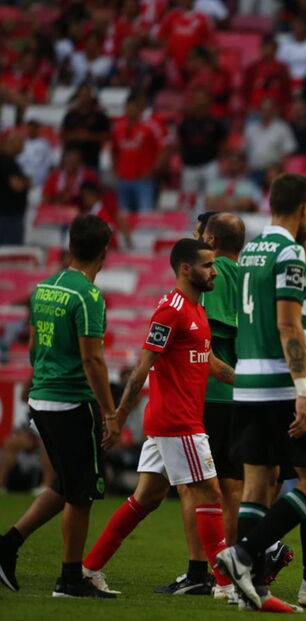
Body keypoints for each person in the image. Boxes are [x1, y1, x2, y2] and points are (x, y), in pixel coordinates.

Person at [215, 173, 306, 612]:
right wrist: (302, 389)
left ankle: (249, 587)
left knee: (258, 485)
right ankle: (240, 556)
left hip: (247, 385)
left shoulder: (250, 251)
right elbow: (287, 324)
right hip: (279, 383)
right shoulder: (289, 252)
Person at [78, 239, 235, 597]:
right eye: (208, 265)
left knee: (145, 498)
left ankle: (89, 569)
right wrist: (117, 416)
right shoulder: (171, 309)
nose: (214, 271)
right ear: (185, 269)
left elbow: (209, 363)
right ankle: (227, 584)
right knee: (210, 492)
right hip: (178, 421)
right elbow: (142, 367)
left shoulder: (196, 308)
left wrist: (250, 384)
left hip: (172, 422)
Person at [0, 215, 117, 597]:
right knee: (81, 493)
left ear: (70, 247)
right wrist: (110, 411)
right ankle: (69, 578)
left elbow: (33, 348)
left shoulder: (43, 288)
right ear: (104, 251)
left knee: (65, 485)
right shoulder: (88, 296)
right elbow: (92, 361)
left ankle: (7, 545)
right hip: (71, 402)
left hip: (41, 398)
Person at [154, 213, 246, 598]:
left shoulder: (219, 273)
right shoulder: (247, 274)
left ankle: (201, 570)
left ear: (211, 239)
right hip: (241, 398)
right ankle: (230, 567)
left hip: (212, 396)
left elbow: (208, 337)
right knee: (233, 487)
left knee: (197, 489)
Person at [111, 90, 165, 213]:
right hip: (123, 179)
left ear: (140, 108)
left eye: (133, 107)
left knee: (145, 216)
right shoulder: (118, 127)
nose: (130, 110)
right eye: (128, 106)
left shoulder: (151, 126)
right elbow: (114, 150)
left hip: (143, 180)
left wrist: (153, 170)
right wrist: (115, 169)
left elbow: (165, 149)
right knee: (124, 216)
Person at [0, 133, 29, 246]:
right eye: (21, 143)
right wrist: (26, 182)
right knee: (11, 250)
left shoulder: (9, 161)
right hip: (9, 215)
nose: (23, 147)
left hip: (8, 214)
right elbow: (17, 186)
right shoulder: (6, 161)